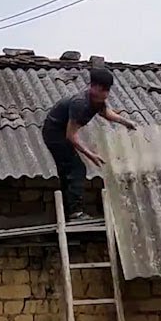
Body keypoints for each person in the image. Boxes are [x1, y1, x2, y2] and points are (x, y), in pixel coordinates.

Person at [40, 68, 137, 220]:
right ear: (94, 87)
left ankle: (68, 211)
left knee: (67, 170)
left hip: (63, 133)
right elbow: (71, 136)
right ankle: (75, 212)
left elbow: (106, 113)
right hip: (54, 133)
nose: (106, 94)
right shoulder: (80, 104)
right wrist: (91, 155)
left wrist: (126, 122)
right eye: (104, 90)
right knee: (77, 168)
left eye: (108, 90)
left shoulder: (97, 101)